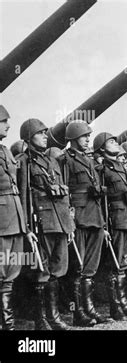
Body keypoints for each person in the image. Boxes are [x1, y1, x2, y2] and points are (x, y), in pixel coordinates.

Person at [18, 118, 75, 330]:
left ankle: (53, 316)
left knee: (57, 268)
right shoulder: (24, 162)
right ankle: (41, 319)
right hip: (41, 222)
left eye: (45, 133)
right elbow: (23, 196)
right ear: (28, 138)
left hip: (60, 221)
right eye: (40, 133)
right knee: (41, 271)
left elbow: (64, 193)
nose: (45, 136)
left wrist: (69, 224)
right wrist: (26, 228)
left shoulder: (52, 161)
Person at [60, 121, 110, 327]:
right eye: (84, 137)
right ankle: (77, 312)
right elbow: (64, 190)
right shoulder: (65, 160)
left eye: (89, 136)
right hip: (79, 217)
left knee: (90, 267)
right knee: (77, 268)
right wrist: (69, 218)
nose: (88, 139)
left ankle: (89, 309)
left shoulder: (88, 160)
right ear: (72, 138)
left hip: (95, 215)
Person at [93, 132, 127, 320]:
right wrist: (105, 225)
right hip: (116, 220)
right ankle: (116, 306)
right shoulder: (101, 169)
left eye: (115, 141)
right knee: (115, 264)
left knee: (124, 263)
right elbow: (101, 200)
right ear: (102, 148)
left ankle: (123, 303)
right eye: (111, 142)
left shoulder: (122, 167)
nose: (115, 144)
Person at [0, 106, 26, 330]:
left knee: (11, 272)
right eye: (3, 121)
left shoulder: (6, 151)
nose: (8, 125)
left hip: (15, 216)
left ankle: (7, 324)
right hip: (1, 221)